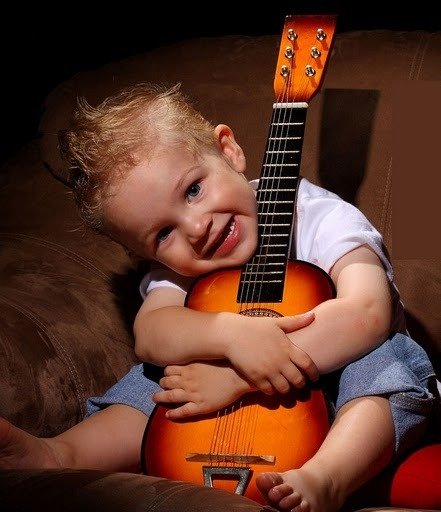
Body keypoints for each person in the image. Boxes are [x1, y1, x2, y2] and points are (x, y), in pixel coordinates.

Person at [0, 82, 439, 512]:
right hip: (223, 403)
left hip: (334, 395)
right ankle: (60, 455)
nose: (196, 228)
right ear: (141, 254)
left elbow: (367, 313)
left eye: (193, 190)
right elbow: (151, 332)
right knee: (159, 378)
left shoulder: (322, 218)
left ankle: (328, 477)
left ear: (228, 151)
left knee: (388, 360)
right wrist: (230, 337)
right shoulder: (185, 268)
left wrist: (238, 378)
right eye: (163, 233)